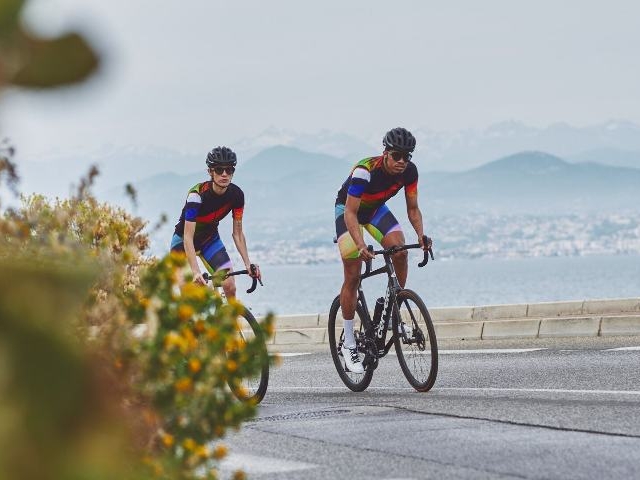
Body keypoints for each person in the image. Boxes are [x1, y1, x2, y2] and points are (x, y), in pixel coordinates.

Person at [334, 127, 432, 373]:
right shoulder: (364, 172)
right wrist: (359, 245)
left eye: (407, 156)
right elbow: (351, 213)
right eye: (397, 155)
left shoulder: (410, 172)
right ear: (385, 153)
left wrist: (421, 236)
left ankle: (390, 313)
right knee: (353, 274)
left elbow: (412, 209)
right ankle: (348, 343)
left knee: (400, 252)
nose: (402, 161)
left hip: (376, 210)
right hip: (347, 213)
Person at [171, 146, 261, 298]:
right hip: (183, 243)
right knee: (187, 292)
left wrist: (248, 264)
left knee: (230, 286)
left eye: (229, 170)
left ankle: (229, 318)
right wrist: (196, 272)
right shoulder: (196, 196)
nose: (224, 174)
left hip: (209, 240)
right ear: (210, 172)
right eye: (219, 170)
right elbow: (188, 237)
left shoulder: (237, 195)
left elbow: (237, 234)